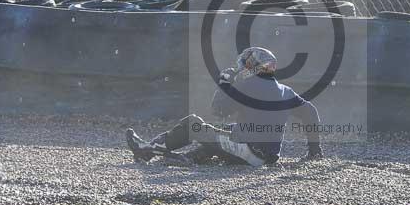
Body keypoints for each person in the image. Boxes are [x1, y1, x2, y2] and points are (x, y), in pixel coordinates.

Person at [126, 46, 323, 166]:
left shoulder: (246, 85)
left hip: (248, 152)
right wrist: (314, 150)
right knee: (226, 130)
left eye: (247, 65)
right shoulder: (286, 91)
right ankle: (190, 158)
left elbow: (219, 110)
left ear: (255, 67)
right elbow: (311, 113)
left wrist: (225, 84)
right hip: (268, 156)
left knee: (193, 124)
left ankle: (147, 150)